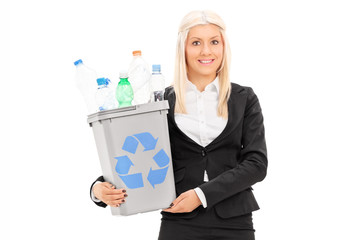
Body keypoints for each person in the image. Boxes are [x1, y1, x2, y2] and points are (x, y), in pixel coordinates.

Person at [90, 10, 267, 240]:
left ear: (224, 47)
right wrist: (98, 189)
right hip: (179, 222)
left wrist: (201, 194)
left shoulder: (244, 98)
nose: (206, 51)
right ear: (183, 48)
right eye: (196, 43)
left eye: (214, 41)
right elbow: (139, 152)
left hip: (235, 222)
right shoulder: (162, 101)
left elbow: (256, 164)